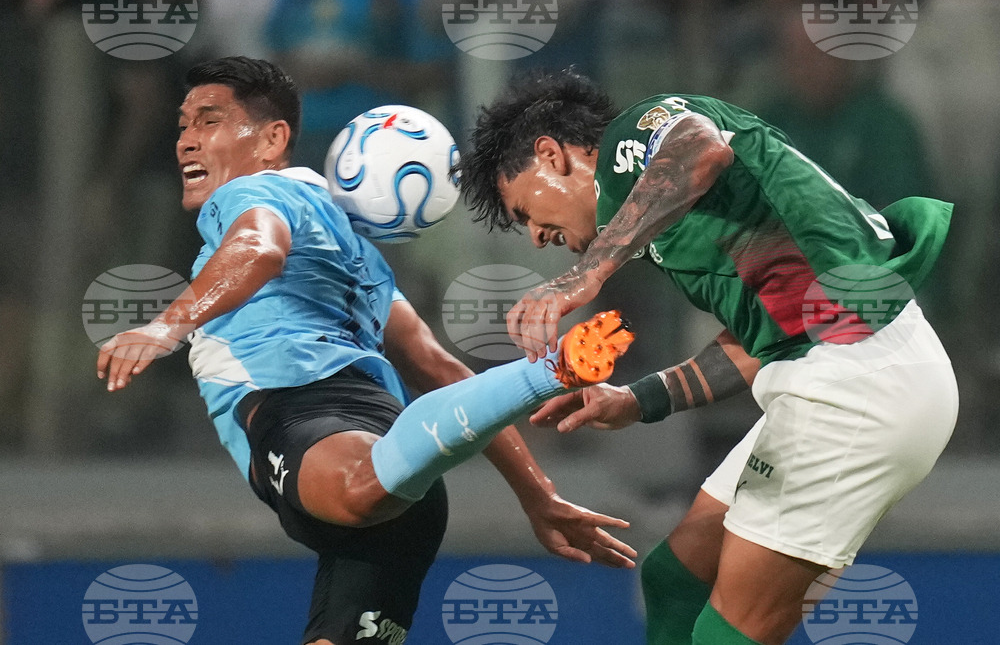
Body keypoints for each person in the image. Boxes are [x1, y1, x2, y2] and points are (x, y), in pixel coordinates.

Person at [94, 57, 638, 645]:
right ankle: (535, 377)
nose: (186, 141)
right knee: (367, 490)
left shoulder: (250, 193)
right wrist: (540, 496)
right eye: (181, 125)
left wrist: (165, 327)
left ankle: (549, 369)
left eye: (209, 120)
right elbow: (441, 368)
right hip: (403, 477)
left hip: (309, 422)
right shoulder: (350, 245)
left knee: (358, 488)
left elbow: (258, 250)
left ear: (274, 139)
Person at [457, 69, 958, 645]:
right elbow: (761, 341)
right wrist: (636, 399)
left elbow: (701, 147)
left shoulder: (634, 137)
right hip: (846, 371)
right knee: (674, 579)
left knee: (729, 634)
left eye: (523, 212)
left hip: (859, 382)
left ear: (552, 155)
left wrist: (586, 273)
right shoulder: (670, 225)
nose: (534, 238)